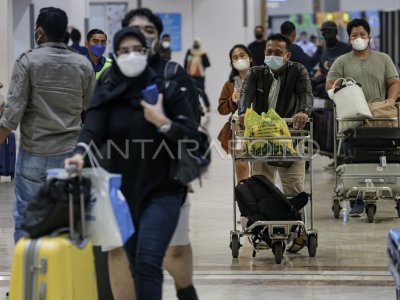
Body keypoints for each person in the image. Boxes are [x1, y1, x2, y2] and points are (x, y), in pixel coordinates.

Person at [64, 27, 199, 300]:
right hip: (123, 192)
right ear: (116, 54)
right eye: (123, 51)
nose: (131, 56)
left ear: (147, 51)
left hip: (164, 188)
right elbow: (92, 129)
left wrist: (162, 121)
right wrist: (79, 153)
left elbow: (191, 135)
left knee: (150, 261)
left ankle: (186, 290)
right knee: (135, 262)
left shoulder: (167, 88)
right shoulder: (108, 89)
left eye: (136, 50)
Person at [104, 7, 201, 300]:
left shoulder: (174, 74)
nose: (143, 37)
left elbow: (191, 130)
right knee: (119, 249)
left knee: (175, 250)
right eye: (136, 30)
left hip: (166, 181)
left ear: (158, 38)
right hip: (121, 182)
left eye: (150, 31)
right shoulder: (110, 79)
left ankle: (186, 291)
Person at [0, 7, 95, 242]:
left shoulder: (27, 62)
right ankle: (69, 275)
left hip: (34, 155)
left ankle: (30, 274)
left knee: (27, 219)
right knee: (71, 220)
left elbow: (11, 116)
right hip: (71, 156)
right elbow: (91, 113)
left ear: (40, 32)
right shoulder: (83, 65)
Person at [238, 33, 314, 253]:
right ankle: (265, 231)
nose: (272, 55)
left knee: (294, 188)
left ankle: (297, 231)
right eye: (268, 52)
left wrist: (303, 111)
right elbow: (245, 94)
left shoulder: (298, 70)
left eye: (278, 52)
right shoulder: (255, 73)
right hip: (262, 140)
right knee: (263, 186)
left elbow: (306, 94)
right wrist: (243, 112)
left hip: (292, 138)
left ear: (287, 55)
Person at [326, 18, 400, 216]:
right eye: (354, 35)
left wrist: (390, 101)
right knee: (355, 158)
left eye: (362, 35)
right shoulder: (341, 62)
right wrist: (341, 87)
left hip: (380, 117)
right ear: (349, 38)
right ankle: (357, 201)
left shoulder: (383, 59)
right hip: (354, 119)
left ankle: (392, 192)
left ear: (369, 37)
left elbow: (394, 82)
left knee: (384, 157)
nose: (358, 38)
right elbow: (330, 86)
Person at [218, 44, 252, 183]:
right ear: (232, 63)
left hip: (260, 128)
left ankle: (262, 200)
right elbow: (222, 109)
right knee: (241, 166)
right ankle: (245, 199)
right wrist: (232, 101)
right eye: (235, 57)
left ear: (250, 58)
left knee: (261, 167)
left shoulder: (262, 79)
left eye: (242, 55)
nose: (239, 59)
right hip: (236, 130)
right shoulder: (230, 84)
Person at [312, 21, 352, 99]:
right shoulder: (323, 51)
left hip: (345, 90)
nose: (326, 33)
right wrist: (314, 79)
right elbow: (322, 70)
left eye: (329, 31)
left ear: (336, 32)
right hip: (329, 91)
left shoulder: (346, 48)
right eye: (324, 31)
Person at [184, 38, 211, 111]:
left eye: (197, 43)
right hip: (190, 75)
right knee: (190, 91)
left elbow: (208, 64)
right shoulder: (189, 51)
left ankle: (207, 106)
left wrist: (200, 62)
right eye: (194, 43)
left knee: (201, 91)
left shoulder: (202, 53)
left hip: (199, 76)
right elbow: (185, 63)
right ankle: (190, 106)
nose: (195, 44)